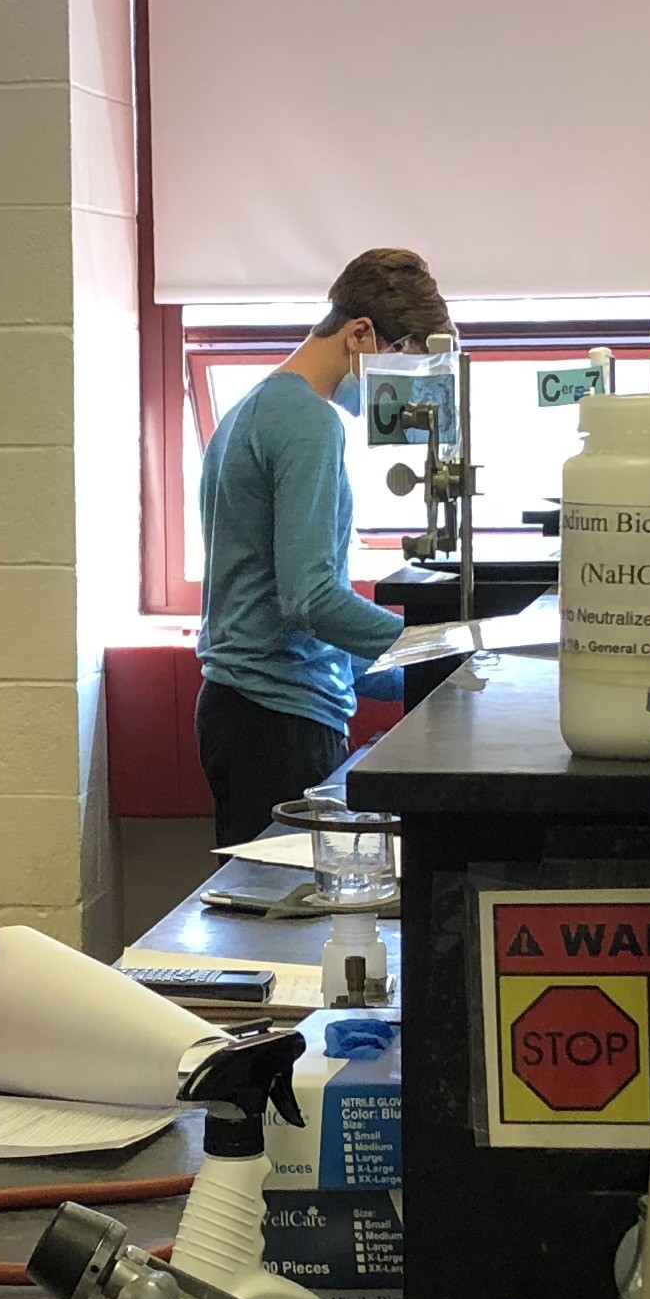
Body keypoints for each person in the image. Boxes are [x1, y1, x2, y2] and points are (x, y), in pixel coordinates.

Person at [192, 247, 451, 848]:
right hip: (276, 721)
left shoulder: (247, 411)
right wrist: (437, 647)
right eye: (400, 366)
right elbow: (310, 598)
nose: (399, 393)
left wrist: (409, 675)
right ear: (361, 333)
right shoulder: (310, 420)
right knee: (287, 925)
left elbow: (296, 613)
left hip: (242, 709)